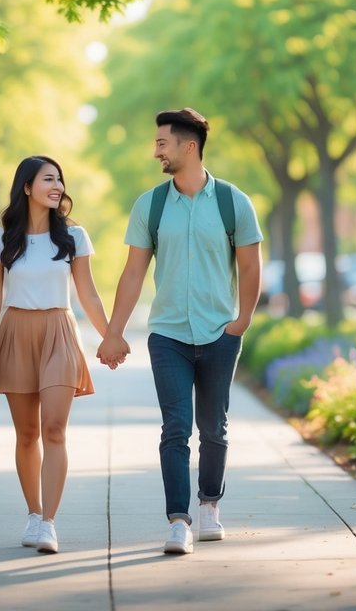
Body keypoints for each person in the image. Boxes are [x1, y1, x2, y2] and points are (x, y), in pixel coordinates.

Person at [97, 108, 262, 555]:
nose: (156, 152)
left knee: (214, 427)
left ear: (189, 147)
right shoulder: (150, 205)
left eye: (161, 144)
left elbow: (250, 265)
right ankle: (178, 520)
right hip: (167, 334)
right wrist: (114, 332)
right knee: (175, 427)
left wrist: (241, 321)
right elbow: (133, 274)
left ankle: (210, 505)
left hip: (218, 333)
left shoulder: (233, 202)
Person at [0, 155, 110, 555]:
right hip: (15, 332)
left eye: (59, 180)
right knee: (27, 433)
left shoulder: (74, 237)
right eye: (48, 179)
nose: (57, 186)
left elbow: (87, 293)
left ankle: (49, 522)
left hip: (59, 332)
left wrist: (111, 336)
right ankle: (33, 513)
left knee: (54, 428)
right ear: (27, 187)